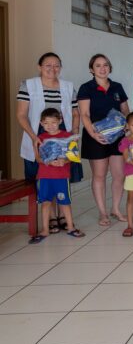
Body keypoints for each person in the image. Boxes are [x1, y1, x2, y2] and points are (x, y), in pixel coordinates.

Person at [16, 52, 80, 233]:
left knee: (61, 173)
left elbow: (75, 113)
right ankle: (51, 216)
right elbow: (21, 115)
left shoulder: (68, 86)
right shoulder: (28, 85)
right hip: (38, 135)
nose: (53, 69)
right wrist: (34, 137)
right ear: (40, 67)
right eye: (48, 65)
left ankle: (62, 215)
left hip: (63, 135)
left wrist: (73, 134)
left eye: (57, 65)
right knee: (45, 175)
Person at [77, 53, 129, 226]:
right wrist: (94, 134)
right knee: (99, 175)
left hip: (117, 136)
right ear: (92, 69)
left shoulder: (117, 87)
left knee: (119, 175)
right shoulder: (86, 88)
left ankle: (115, 209)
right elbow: (84, 114)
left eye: (105, 65)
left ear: (110, 67)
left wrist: (127, 126)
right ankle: (103, 212)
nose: (102, 68)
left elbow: (125, 110)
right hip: (95, 136)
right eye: (98, 65)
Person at [28, 108, 85, 244]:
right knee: (45, 203)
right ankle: (45, 230)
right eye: (46, 123)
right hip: (45, 177)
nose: (50, 126)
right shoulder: (40, 138)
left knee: (65, 202)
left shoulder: (67, 136)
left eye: (53, 122)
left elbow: (73, 156)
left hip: (61, 176)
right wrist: (47, 161)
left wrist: (64, 161)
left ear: (60, 121)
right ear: (41, 124)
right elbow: (38, 158)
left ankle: (71, 227)